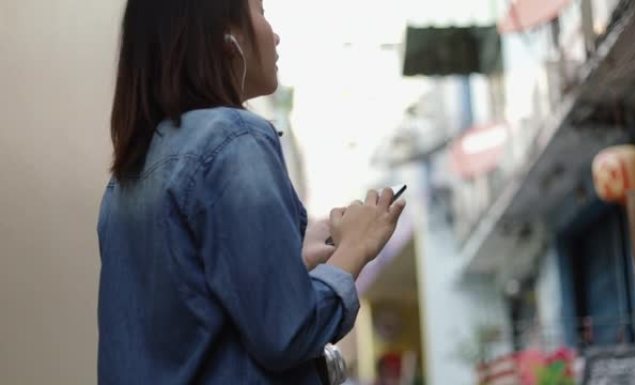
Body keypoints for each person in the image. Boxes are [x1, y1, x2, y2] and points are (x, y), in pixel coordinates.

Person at [97, 0, 406, 384]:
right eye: (261, 12)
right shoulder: (235, 139)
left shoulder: (128, 177)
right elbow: (288, 332)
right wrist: (354, 248)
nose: (274, 35)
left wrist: (292, 260)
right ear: (224, 35)